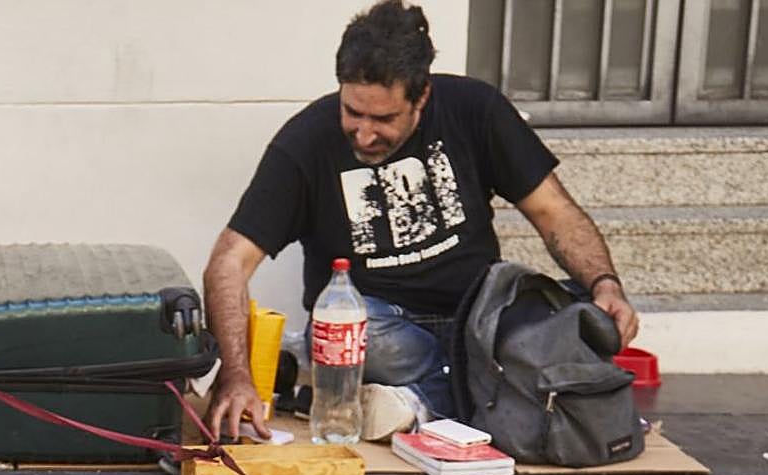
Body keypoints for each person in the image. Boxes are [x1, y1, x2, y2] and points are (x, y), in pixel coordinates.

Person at [203, 0, 639, 442]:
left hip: (479, 318)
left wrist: (606, 284)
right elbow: (229, 261)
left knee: (570, 314)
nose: (365, 132)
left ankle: (423, 403)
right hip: (380, 328)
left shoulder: (476, 109)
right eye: (353, 112)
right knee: (355, 336)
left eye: (384, 118)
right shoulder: (305, 142)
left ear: (422, 96)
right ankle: (486, 394)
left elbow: (555, 212)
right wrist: (236, 374)